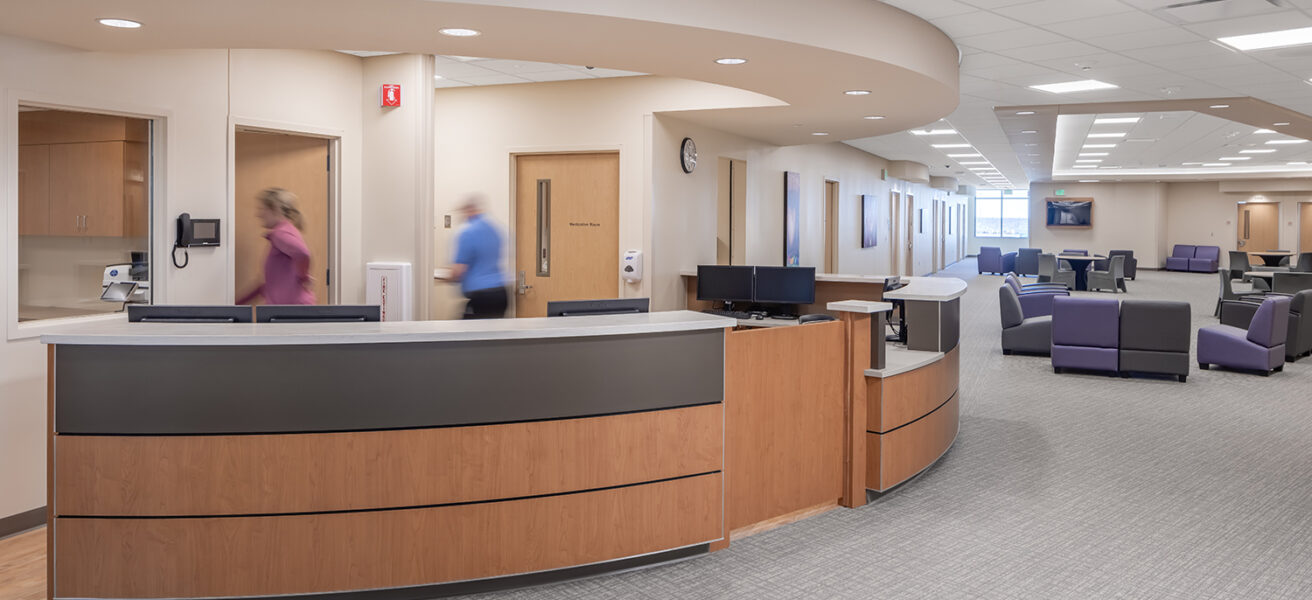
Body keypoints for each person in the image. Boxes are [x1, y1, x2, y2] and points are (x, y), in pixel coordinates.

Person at [236, 187, 315, 305]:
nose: (258, 214)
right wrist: (237, 303)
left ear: (274, 209)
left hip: (292, 312)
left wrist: (304, 277)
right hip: (287, 310)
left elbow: (302, 253)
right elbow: (270, 284)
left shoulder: (280, 233)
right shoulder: (284, 231)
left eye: (262, 209)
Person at [448, 195, 509, 318]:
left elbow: (459, 270)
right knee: (494, 334)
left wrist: (447, 277)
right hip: (501, 294)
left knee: (466, 334)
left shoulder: (468, 233)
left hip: (481, 297)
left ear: (469, 210)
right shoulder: (496, 229)